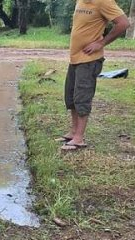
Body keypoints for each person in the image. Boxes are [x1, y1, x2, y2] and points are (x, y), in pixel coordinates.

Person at [60, 0, 130, 151]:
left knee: (82, 97)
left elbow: (123, 23)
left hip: (89, 60)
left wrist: (101, 43)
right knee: (71, 95)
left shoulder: (104, 1)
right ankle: (73, 132)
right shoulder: (80, 1)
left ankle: (79, 138)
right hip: (75, 59)